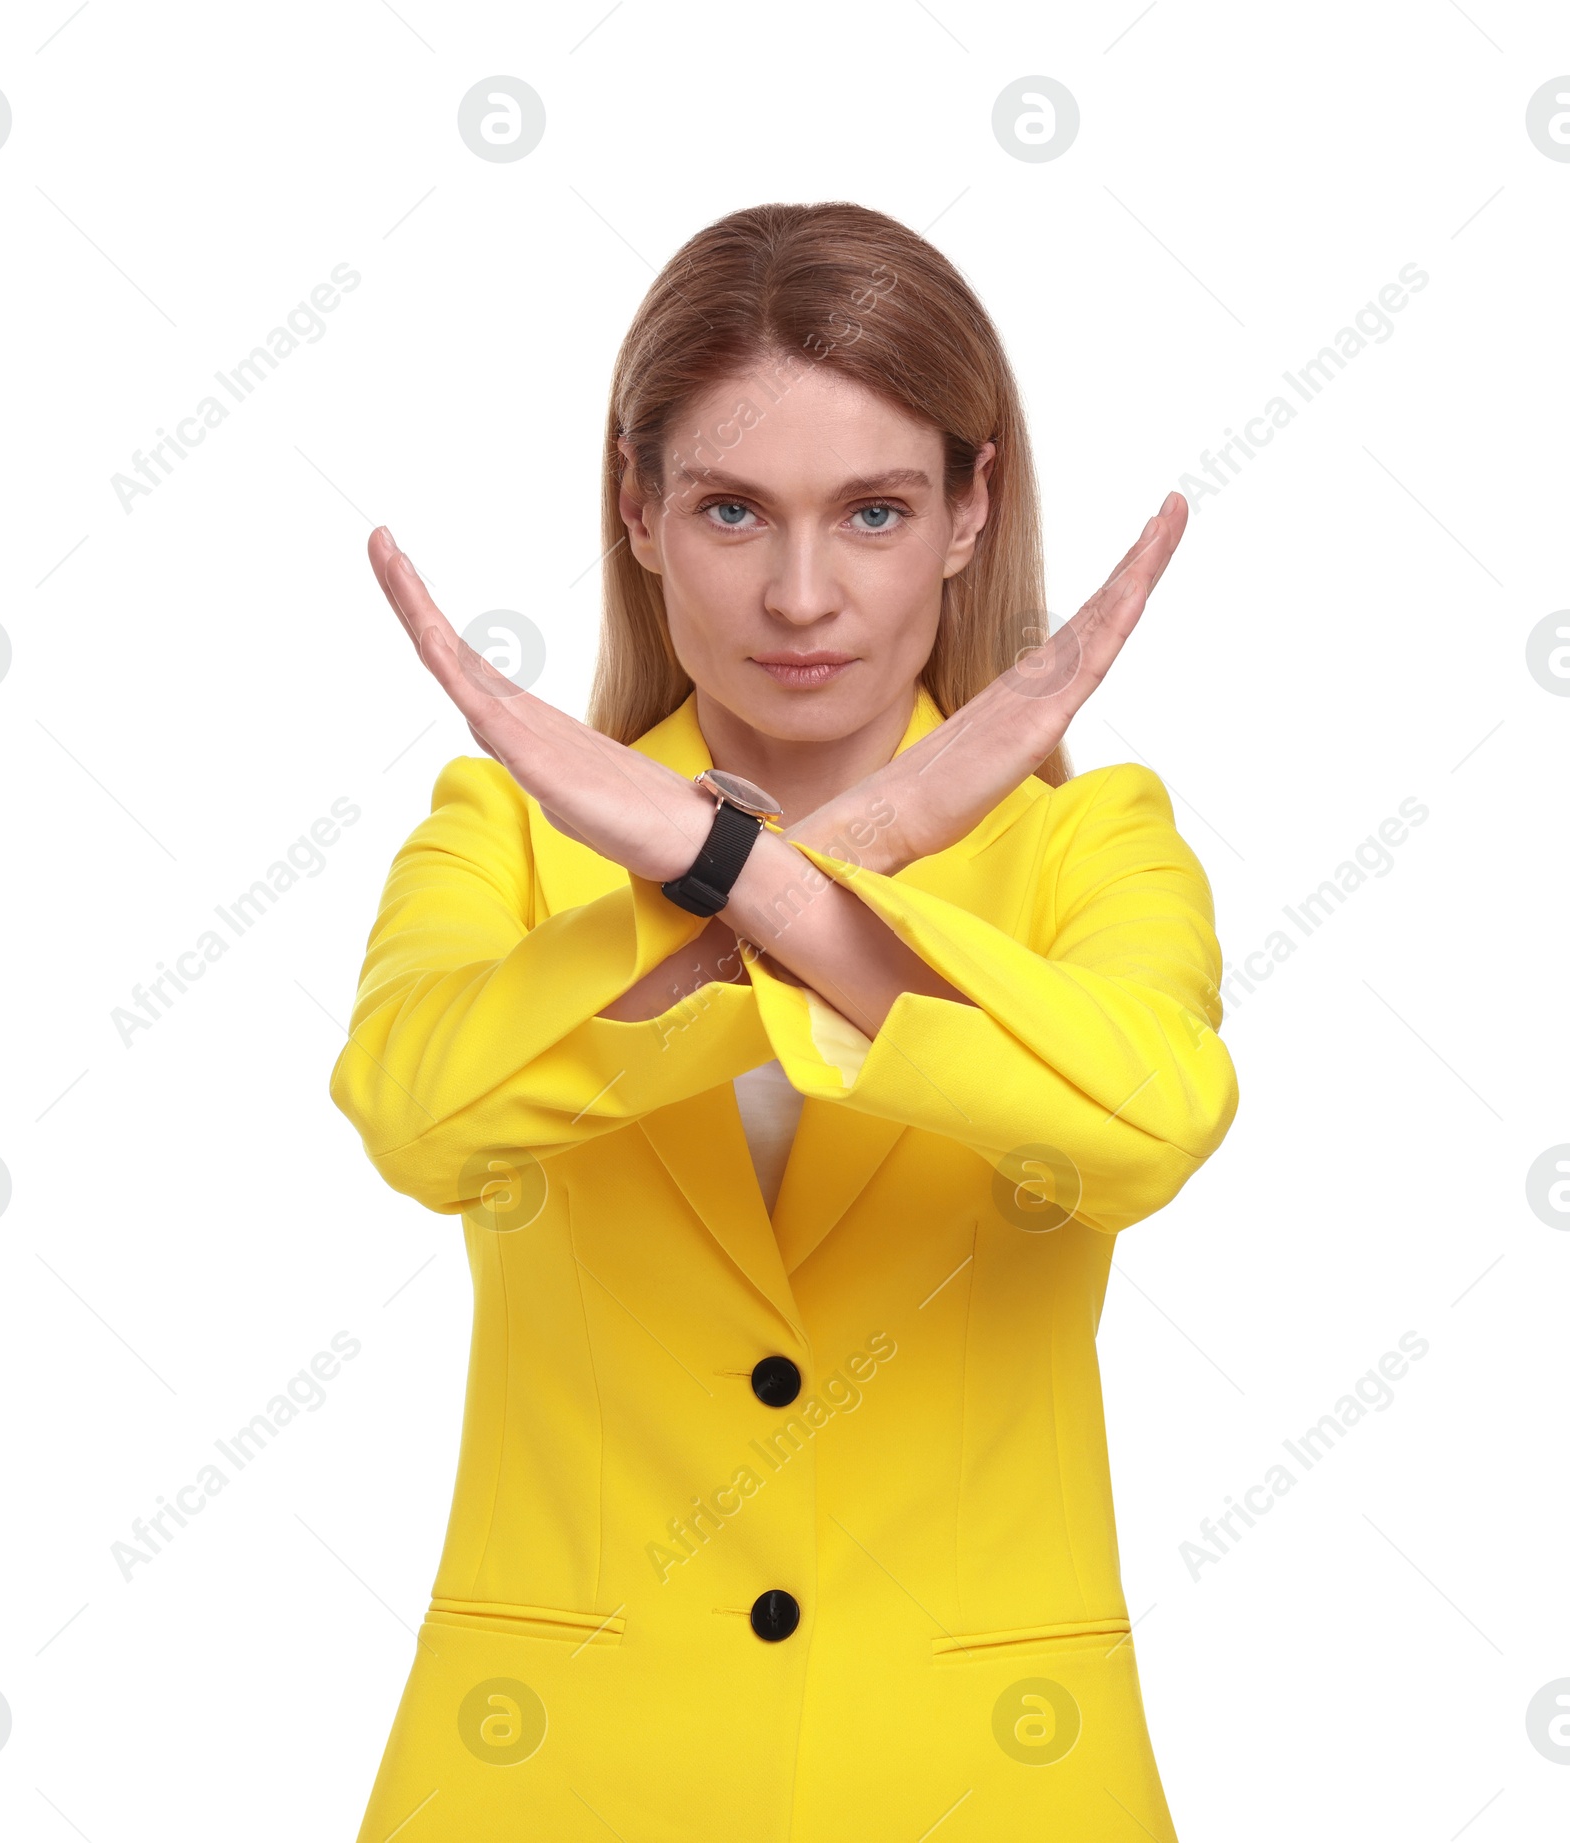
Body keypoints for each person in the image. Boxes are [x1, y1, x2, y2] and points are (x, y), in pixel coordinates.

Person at [329, 200, 1239, 1841]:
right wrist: (754, 875)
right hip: (549, 1782)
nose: (802, 594)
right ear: (640, 512)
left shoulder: (1096, 841)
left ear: (973, 510)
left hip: (985, 1784)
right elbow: (417, 1115)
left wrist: (756, 868)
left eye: (875, 510)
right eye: (734, 509)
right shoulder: (504, 828)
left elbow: (1151, 1124)